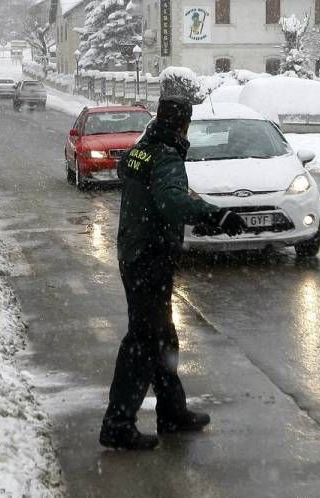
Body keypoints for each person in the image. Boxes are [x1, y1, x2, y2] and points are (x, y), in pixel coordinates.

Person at [100, 95, 243, 450]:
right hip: (149, 257)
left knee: (161, 336)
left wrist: (190, 209)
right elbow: (170, 200)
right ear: (184, 123)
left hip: (134, 252)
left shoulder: (143, 147)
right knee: (143, 342)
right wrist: (214, 214)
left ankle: (172, 412)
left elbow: (136, 179)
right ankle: (118, 423)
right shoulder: (166, 154)